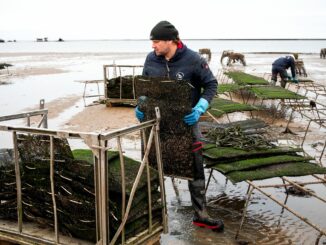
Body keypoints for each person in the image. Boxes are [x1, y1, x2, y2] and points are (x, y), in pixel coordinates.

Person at [135, 20, 224, 231]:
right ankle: (152, 210)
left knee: (194, 166)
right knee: (151, 164)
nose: (153, 46)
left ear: (170, 41)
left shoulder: (193, 60)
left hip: (186, 122)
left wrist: (200, 107)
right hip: (156, 122)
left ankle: (200, 214)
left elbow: (211, 84)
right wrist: (140, 104)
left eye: (156, 41)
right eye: (152, 42)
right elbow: (145, 86)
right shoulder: (151, 59)